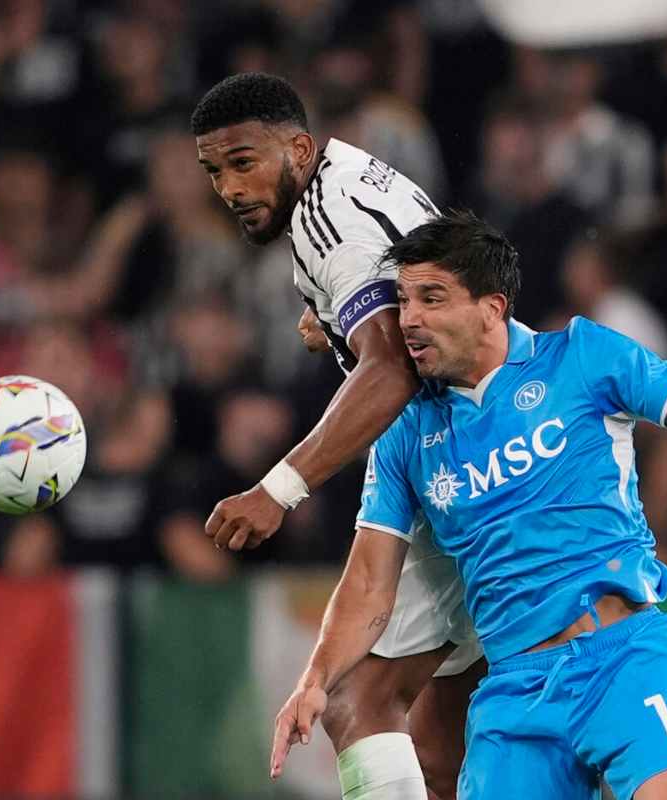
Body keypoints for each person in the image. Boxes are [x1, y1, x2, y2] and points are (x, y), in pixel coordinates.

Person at [270, 211, 667, 799]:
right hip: (516, 692)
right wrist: (315, 679)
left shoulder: (584, 357)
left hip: (626, 659)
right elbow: (368, 584)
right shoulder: (404, 430)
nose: (409, 319)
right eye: (403, 300)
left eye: (432, 298)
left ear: (492, 308)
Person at [191, 73, 479, 800]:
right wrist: (338, 318)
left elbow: (391, 369)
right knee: (445, 744)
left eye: (243, 162)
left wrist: (277, 488)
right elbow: (416, 283)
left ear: (297, 149)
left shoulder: (327, 223)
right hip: (490, 444)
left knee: (355, 702)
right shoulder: (353, 173)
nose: (230, 188)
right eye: (214, 171)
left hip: (459, 461)